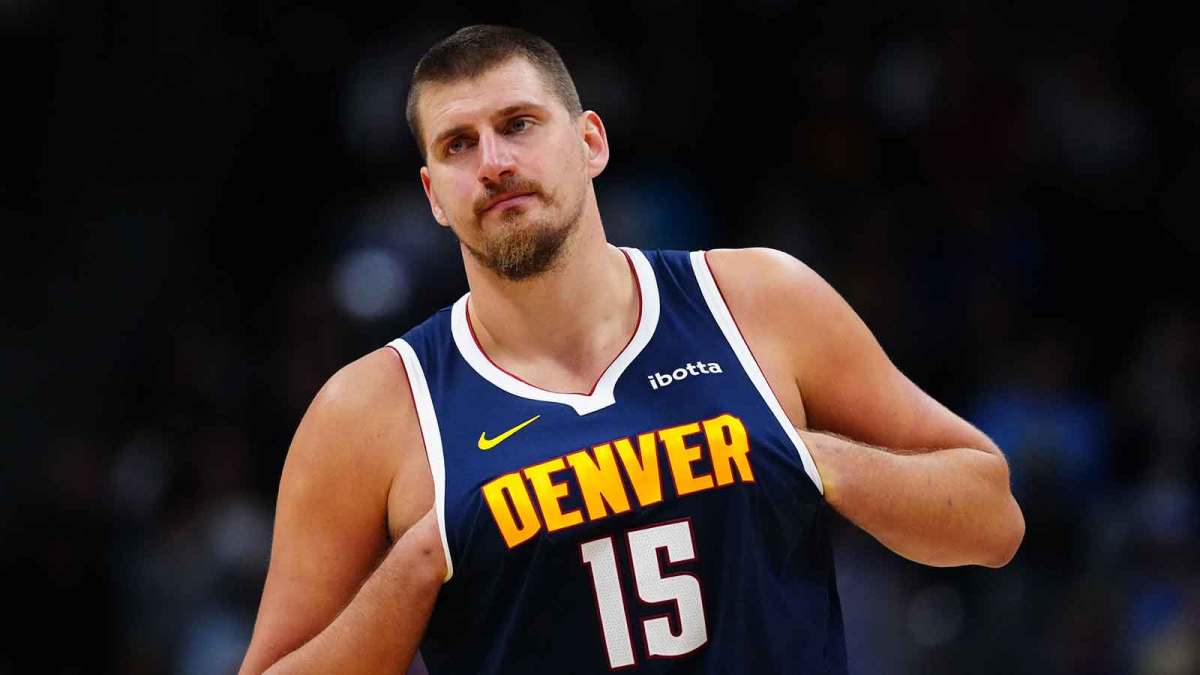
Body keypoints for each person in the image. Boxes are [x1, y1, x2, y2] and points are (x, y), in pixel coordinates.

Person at [238, 24, 1025, 675]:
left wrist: (817, 460)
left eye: (518, 124)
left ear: (590, 142)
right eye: (457, 145)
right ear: (432, 197)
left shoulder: (756, 298)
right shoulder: (372, 408)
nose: (495, 163)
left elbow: (994, 518)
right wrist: (418, 563)